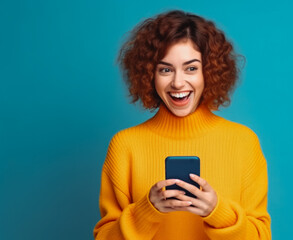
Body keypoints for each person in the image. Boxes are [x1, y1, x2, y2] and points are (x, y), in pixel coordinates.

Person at [93, 10, 271, 240]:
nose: (178, 82)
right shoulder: (125, 146)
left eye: (191, 68)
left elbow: (261, 236)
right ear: (150, 75)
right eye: (165, 69)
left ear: (208, 72)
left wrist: (217, 213)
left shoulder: (243, 142)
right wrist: (148, 210)